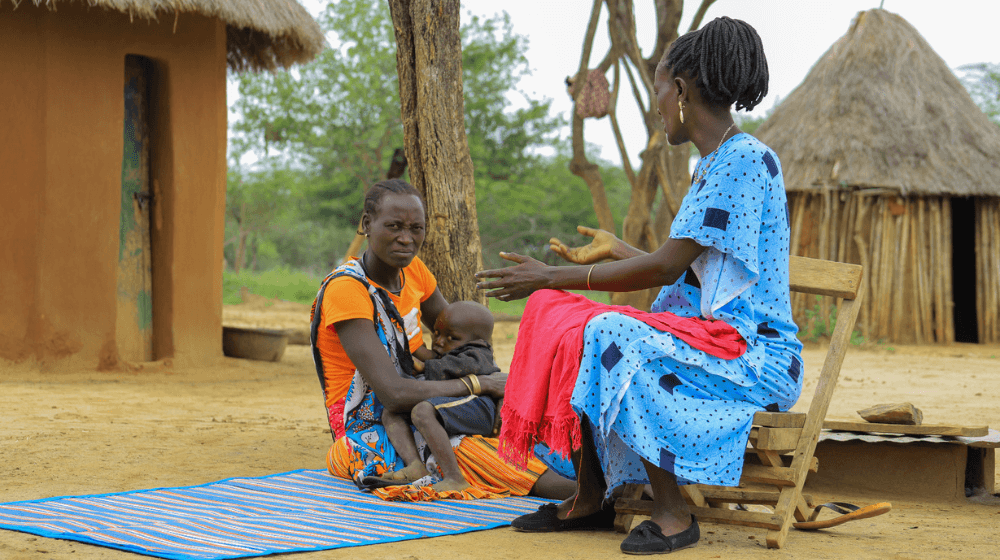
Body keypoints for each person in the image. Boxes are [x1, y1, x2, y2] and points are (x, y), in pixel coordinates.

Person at [475, 16, 802, 554]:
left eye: (655, 87)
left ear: (679, 90)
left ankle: (674, 514)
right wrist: (609, 252)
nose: (653, 101)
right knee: (559, 314)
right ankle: (590, 495)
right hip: (708, 338)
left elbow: (664, 270)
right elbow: (690, 270)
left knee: (608, 329)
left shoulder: (744, 160)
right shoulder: (717, 162)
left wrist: (548, 274)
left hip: (753, 355)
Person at [309, 178, 575, 502]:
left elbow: (460, 340)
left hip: (424, 406)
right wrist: (478, 385)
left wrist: (493, 390)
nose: (406, 239)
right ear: (367, 224)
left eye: (416, 228)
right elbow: (392, 394)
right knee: (475, 454)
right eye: (393, 226)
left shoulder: (413, 271)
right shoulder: (346, 291)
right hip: (372, 428)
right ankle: (596, 495)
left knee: (525, 431)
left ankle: (611, 480)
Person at [380, 301, 502, 493]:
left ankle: (454, 478)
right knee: (391, 412)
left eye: (451, 338)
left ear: (478, 342)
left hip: (481, 409)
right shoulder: (446, 353)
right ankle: (415, 465)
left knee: (422, 412)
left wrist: (424, 367)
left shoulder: (479, 354)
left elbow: (467, 367)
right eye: (436, 333)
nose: (439, 341)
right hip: (456, 405)